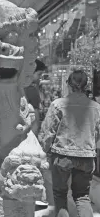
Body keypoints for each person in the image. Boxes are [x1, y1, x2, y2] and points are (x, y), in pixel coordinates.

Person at [38, 70, 100, 217]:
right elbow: (97, 134)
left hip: (62, 156)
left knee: (60, 195)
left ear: (68, 85)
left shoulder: (58, 104)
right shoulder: (96, 107)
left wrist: (44, 152)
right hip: (86, 157)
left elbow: (48, 133)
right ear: (86, 86)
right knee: (82, 196)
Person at [24, 59, 49, 207]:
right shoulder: (31, 89)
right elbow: (36, 117)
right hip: (30, 134)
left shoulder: (21, 87)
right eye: (39, 74)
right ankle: (36, 196)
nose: (40, 77)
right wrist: (34, 138)